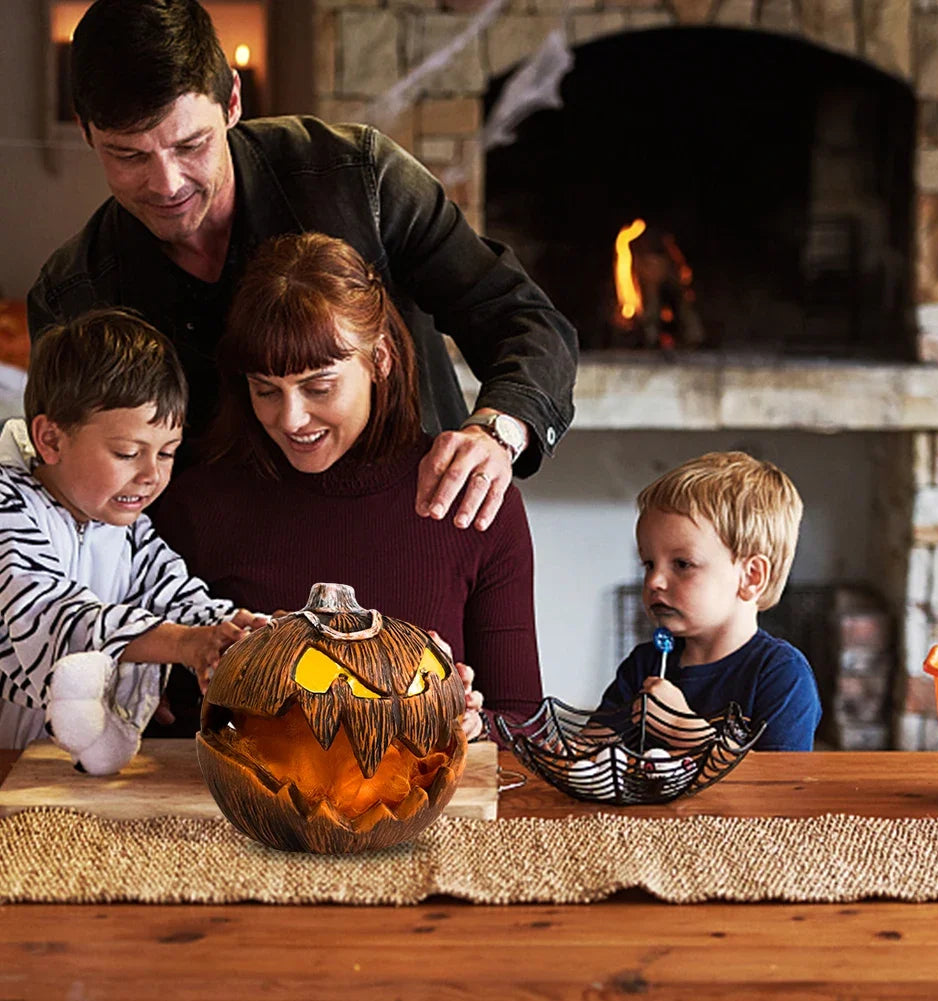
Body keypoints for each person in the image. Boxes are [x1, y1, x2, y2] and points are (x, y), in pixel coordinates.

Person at [27, 0, 578, 534]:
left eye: (191, 145)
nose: (167, 183)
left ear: (233, 102)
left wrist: (497, 432)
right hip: (216, 594)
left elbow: (524, 320)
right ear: (86, 132)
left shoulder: (362, 179)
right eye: (129, 156)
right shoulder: (73, 294)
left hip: (419, 530)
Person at [154, 233, 544, 740]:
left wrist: (470, 725)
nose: (291, 419)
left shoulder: (471, 497)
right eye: (266, 390)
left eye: (319, 387)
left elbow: (525, 723)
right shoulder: (194, 507)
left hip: (425, 808)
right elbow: (165, 725)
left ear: (379, 358)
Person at [0, 308, 268, 773]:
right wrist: (183, 643)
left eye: (167, 453)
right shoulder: (7, 506)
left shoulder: (127, 526)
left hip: (58, 772)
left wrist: (237, 634)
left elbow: (177, 597)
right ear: (50, 439)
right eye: (127, 453)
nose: (151, 475)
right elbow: (51, 616)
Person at [596, 451, 822, 751]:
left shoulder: (782, 675)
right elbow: (591, 748)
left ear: (751, 577)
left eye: (682, 564)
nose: (654, 581)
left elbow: (778, 786)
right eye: (649, 564)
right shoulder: (643, 665)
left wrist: (681, 728)